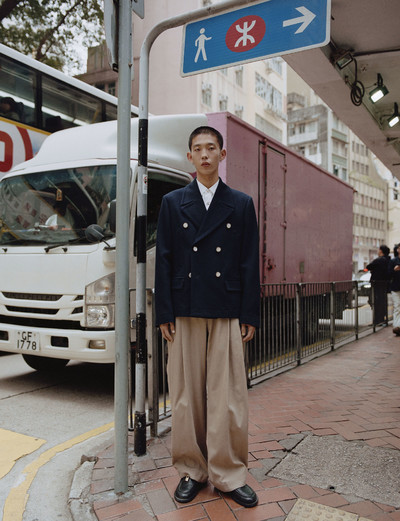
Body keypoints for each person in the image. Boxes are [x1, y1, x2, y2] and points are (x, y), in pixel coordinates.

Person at [155, 126, 260, 508]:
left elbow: (249, 263)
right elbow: (163, 259)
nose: (204, 155)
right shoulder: (172, 202)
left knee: (228, 395)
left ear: (222, 155)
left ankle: (228, 474)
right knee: (185, 395)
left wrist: (249, 312)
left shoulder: (241, 203)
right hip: (185, 305)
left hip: (226, 305)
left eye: (211, 148)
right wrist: (164, 310)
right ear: (189, 157)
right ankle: (192, 470)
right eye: (197, 149)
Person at [366, 244, 390, 325]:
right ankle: (383, 319)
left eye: (379, 249)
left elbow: (369, 266)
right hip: (384, 284)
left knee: (375, 302)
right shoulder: (388, 259)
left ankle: (377, 320)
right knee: (382, 302)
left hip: (377, 284)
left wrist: (373, 270)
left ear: (381, 251)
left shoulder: (379, 260)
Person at [388, 243, 400, 335]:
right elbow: (388, 274)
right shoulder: (393, 261)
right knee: (397, 306)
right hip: (396, 287)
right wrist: (394, 270)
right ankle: (396, 326)